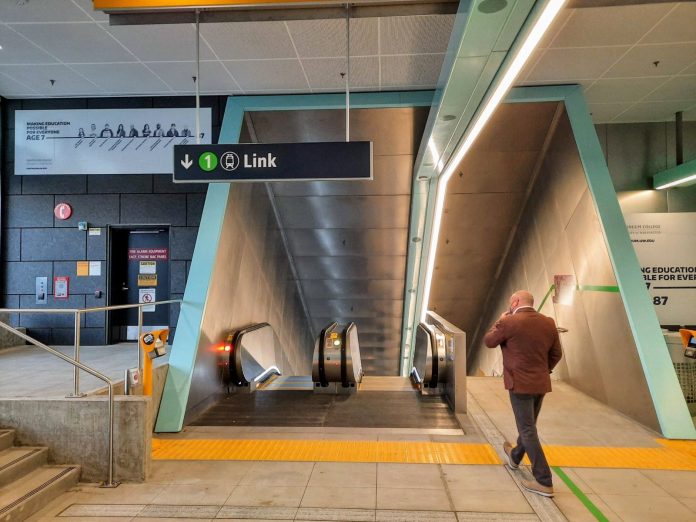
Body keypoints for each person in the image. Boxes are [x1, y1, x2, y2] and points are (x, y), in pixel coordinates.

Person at [483, 290, 562, 498]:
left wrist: (500, 321)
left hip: (519, 384)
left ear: (515, 302)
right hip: (541, 383)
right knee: (529, 426)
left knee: (527, 429)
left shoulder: (510, 322)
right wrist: (544, 371)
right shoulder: (548, 322)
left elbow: (489, 341)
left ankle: (544, 480)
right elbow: (556, 354)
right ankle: (516, 455)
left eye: (510, 303)